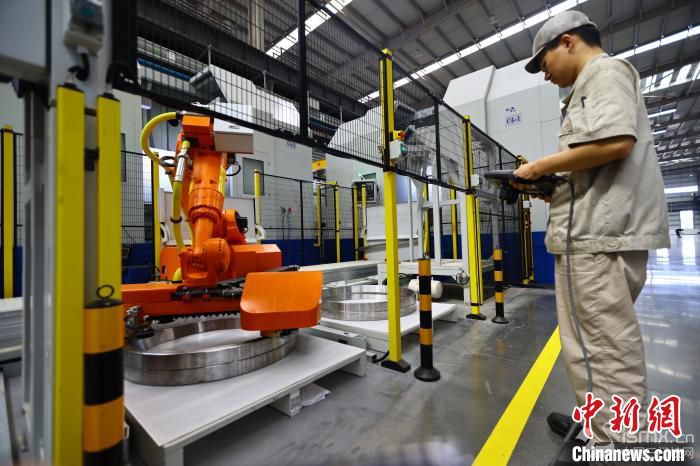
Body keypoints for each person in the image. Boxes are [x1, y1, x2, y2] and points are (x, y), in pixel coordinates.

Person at [514, 9, 670, 463]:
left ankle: (619, 447)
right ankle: (601, 426)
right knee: (590, 346)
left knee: (606, 349)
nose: (545, 74)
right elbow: (598, 162)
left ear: (567, 41)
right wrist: (553, 187)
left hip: (599, 239)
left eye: (544, 63)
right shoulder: (588, 86)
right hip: (592, 234)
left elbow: (616, 142)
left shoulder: (605, 72)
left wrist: (540, 166)